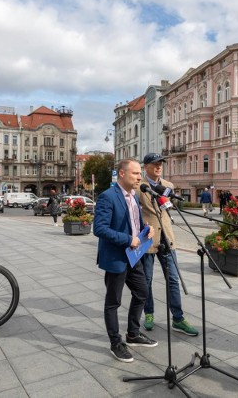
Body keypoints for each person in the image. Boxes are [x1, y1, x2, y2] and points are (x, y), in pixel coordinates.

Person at [93, 158, 157, 363]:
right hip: (116, 258)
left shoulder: (134, 196)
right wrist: (129, 239)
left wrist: (146, 230)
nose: (140, 177)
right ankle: (115, 343)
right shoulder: (107, 197)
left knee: (142, 293)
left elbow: (132, 222)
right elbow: (100, 229)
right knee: (113, 302)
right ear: (122, 174)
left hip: (134, 257)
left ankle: (132, 334)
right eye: (135, 173)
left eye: (139, 174)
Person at [139, 153, 199, 336]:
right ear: (146, 166)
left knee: (173, 279)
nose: (158, 167)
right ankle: (148, 313)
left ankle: (178, 318)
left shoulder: (168, 186)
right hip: (148, 238)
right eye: (155, 164)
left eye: (160, 164)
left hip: (167, 237)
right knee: (147, 280)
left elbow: (167, 211)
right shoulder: (138, 187)